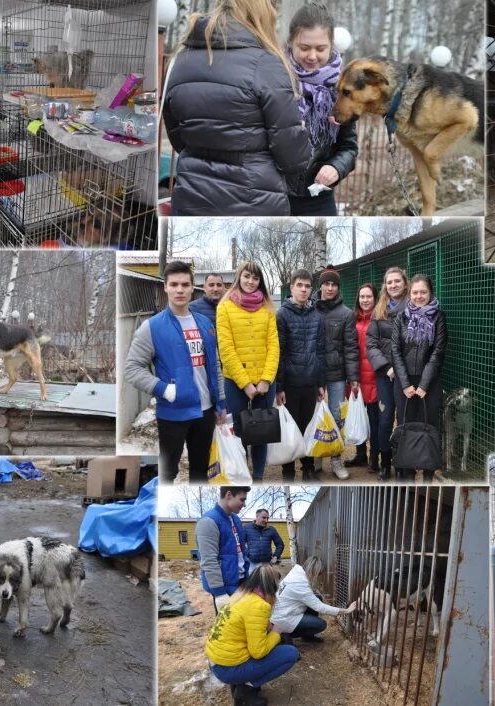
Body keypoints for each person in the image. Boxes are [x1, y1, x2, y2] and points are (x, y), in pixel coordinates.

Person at [162, 0, 312, 216]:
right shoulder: (266, 64)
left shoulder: (180, 60)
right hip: (252, 204)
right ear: (261, 12)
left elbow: (178, 137)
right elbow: (292, 158)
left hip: (192, 199)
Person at [124, 260, 226, 483]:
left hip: (206, 412)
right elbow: (132, 369)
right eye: (174, 284)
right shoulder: (152, 327)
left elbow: (214, 366)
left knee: (201, 472)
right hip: (173, 413)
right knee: (168, 472)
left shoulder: (205, 323)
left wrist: (220, 402)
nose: (180, 290)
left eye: (185, 285)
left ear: (192, 288)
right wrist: (164, 389)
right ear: (166, 287)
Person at [283, 3, 358, 216]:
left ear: (331, 45)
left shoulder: (342, 90)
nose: (312, 56)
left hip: (318, 197)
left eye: (321, 48)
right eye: (304, 48)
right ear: (291, 43)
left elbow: (349, 148)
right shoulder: (275, 80)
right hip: (274, 194)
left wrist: (336, 167)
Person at [218, 261, 280, 481]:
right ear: (239, 277)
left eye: (255, 278)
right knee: (241, 431)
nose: (251, 282)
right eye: (247, 277)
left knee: (263, 431)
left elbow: (273, 345)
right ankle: (241, 474)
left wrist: (266, 379)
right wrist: (245, 383)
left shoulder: (268, 308)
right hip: (236, 382)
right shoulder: (225, 307)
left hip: (264, 382)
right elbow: (226, 349)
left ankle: (259, 475)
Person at [205, 565, 300, 706]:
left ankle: (239, 685)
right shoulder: (260, 605)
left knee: (271, 644)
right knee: (291, 654)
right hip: (228, 668)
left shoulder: (240, 595)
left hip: (218, 660)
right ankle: (246, 689)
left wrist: (267, 628)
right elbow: (258, 652)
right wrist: (276, 633)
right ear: (272, 586)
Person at [390, 274, 447, 482]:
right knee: (405, 423)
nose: (419, 296)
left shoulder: (438, 317)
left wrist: (423, 384)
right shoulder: (400, 317)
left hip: (429, 382)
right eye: (415, 292)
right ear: (409, 294)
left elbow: (438, 351)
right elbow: (395, 351)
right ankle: (406, 472)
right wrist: (405, 384)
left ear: (430, 292)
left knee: (428, 425)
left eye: (423, 292)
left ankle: (428, 473)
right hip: (404, 382)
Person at [275, 268, 326, 481]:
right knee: (289, 428)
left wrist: (321, 383)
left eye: (307, 286)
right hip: (290, 384)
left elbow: (321, 350)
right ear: (292, 287)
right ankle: (288, 471)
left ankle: (307, 468)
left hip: (311, 382)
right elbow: (279, 352)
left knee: (307, 427)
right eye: (300, 286)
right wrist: (279, 387)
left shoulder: (317, 315)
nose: (304, 290)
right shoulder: (282, 315)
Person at [313, 266, 359, 480]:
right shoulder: (310, 309)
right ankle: (316, 457)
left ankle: (336, 459)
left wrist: (354, 377)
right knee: (315, 417)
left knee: (337, 418)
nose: (330, 288)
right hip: (313, 373)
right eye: (327, 283)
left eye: (334, 285)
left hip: (337, 374)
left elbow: (350, 347)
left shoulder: (346, 314)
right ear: (320, 285)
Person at [365, 267, 408, 481]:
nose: (393, 285)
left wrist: (399, 368)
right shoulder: (378, 310)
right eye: (389, 282)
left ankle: (401, 463)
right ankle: (385, 463)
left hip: (406, 375)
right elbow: (371, 343)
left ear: (404, 282)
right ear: (385, 285)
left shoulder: (413, 308)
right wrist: (386, 367)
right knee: (384, 419)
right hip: (384, 374)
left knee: (403, 420)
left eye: (397, 281)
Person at [270, 556, 352, 644]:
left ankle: (307, 637)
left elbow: (311, 599)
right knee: (321, 625)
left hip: (281, 613)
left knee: (317, 598)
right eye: (319, 574)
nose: (319, 577)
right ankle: (283, 634)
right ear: (314, 572)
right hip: (283, 619)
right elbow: (320, 607)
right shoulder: (299, 583)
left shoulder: (296, 573)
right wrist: (346, 610)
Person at [197, 486, 251, 614]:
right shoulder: (209, 521)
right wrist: (220, 594)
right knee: (226, 629)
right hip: (224, 587)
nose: (244, 504)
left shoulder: (236, 519)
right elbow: (209, 561)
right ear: (228, 495)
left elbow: (240, 551)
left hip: (240, 582)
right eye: (242, 500)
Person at [346, 282, 380, 471]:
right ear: (358, 299)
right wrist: (351, 377)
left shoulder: (380, 318)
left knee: (375, 421)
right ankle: (361, 454)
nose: (365, 300)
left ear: (375, 298)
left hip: (375, 378)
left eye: (369, 296)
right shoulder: (353, 320)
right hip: (356, 377)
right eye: (362, 297)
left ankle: (375, 458)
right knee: (358, 416)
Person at [244, 509, 284, 575]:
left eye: (267, 518)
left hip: (267, 564)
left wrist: (275, 556)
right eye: (264, 518)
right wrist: (247, 555)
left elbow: (280, 545)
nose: (266, 520)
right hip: (252, 565)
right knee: (253, 584)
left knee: (266, 584)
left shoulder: (271, 530)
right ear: (257, 517)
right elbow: (241, 544)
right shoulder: (247, 528)